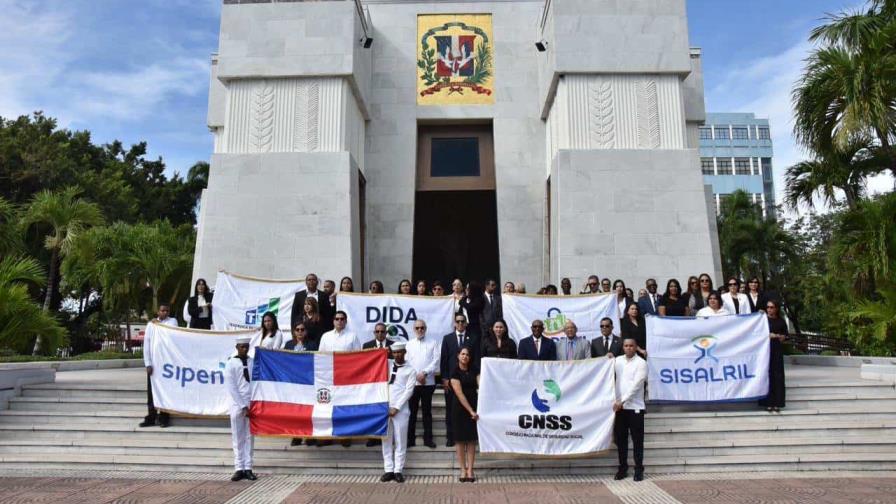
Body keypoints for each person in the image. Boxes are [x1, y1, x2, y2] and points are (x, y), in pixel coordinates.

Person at [318, 311, 361, 447]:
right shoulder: (326, 336)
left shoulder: (352, 336)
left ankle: (345, 435)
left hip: (346, 378)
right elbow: (320, 356)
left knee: (345, 406)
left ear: (346, 321)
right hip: (329, 377)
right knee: (327, 405)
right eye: (337, 319)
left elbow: (358, 357)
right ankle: (327, 435)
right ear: (333, 321)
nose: (339, 321)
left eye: (342, 319)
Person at [380, 341, 415, 483]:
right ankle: (388, 469)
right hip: (385, 408)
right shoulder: (386, 364)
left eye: (400, 352)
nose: (397, 355)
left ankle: (398, 470)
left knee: (401, 441)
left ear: (404, 352)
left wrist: (397, 407)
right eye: (394, 352)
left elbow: (409, 391)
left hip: (401, 410)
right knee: (386, 440)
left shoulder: (410, 369)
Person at [613, 337, 647, 482]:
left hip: (635, 408)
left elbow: (637, 385)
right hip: (620, 408)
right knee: (621, 440)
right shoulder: (617, 360)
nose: (628, 348)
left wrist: (623, 400)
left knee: (637, 440)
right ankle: (623, 467)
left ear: (635, 347)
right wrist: (606, 358)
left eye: (631, 346)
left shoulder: (641, 363)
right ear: (623, 347)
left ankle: (638, 469)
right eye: (626, 346)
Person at [440, 314, 476, 447]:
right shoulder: (447, 338)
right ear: (454, 323)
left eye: (462, 321)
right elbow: (444, 359)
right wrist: (444, 378)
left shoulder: (472, 338)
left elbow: (475, 359)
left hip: (468, 381)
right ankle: (451, 437)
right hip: (451, 381)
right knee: (450, 410)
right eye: (458, 321)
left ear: (466, 323)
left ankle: (468, 437)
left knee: (467, 409)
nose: (460, 323)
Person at [139, 304, 177, 428]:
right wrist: (148, 363)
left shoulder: (172, 322)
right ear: (158, 311)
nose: (164, 312)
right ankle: (151, 416)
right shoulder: (151, 325)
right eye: (162, 310)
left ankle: (164, 417)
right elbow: (147, 345)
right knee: (152, 392)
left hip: (167, 364)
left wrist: (158, 324)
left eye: (166, 310)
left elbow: (171, 332)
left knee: (166, 390)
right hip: (154, 364)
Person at [226, 336, 257, 481]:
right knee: (238, 436)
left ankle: (248, 467)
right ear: (237, 347)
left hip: (251, 402)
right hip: (236, 403)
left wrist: (251, 404)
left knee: (249, 437)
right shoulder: (231, 363)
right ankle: (238, 467)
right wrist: (242, 405)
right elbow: (232, 387)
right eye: (242, 346)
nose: (245, 349)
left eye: (247, 346)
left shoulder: (252, 362)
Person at [406, 319, 440, 449]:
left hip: (428, 383)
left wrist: (424, 373)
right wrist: (416, 375)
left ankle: (428, 439)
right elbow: (407, 362)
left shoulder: (433, 343)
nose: (420, 330)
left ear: (426, 329)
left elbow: (436, 360)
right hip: (413, 383)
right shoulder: (409, 344)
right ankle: (410, 439)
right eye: (417, 328)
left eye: (422, 328)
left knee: (427, 412)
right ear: (414, 329)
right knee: (412, 412)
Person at [450, 346, 479, 482]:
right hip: (460, 409)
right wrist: (471, 411)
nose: (465, 356)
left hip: (474, 406)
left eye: (467, 354)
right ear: (458, 356)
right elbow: (460, 394)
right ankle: (462, 469)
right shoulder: (454, 373)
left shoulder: (475, 370)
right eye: (462, 354)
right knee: (460, 441)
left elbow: (482, 385)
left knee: (472, 440)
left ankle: (470, 470)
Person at [760, 300, 787, 412]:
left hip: (777, 350)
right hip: (765, 350)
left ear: (776, 308)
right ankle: (768, 402)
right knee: (767, 375)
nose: (770, 309)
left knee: (778, 376)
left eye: (772, 307)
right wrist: (768, 335)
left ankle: (777, 402)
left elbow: (786, 335)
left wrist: (781, 337)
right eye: (768, 307)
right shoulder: (762, 320)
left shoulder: (781, 321)